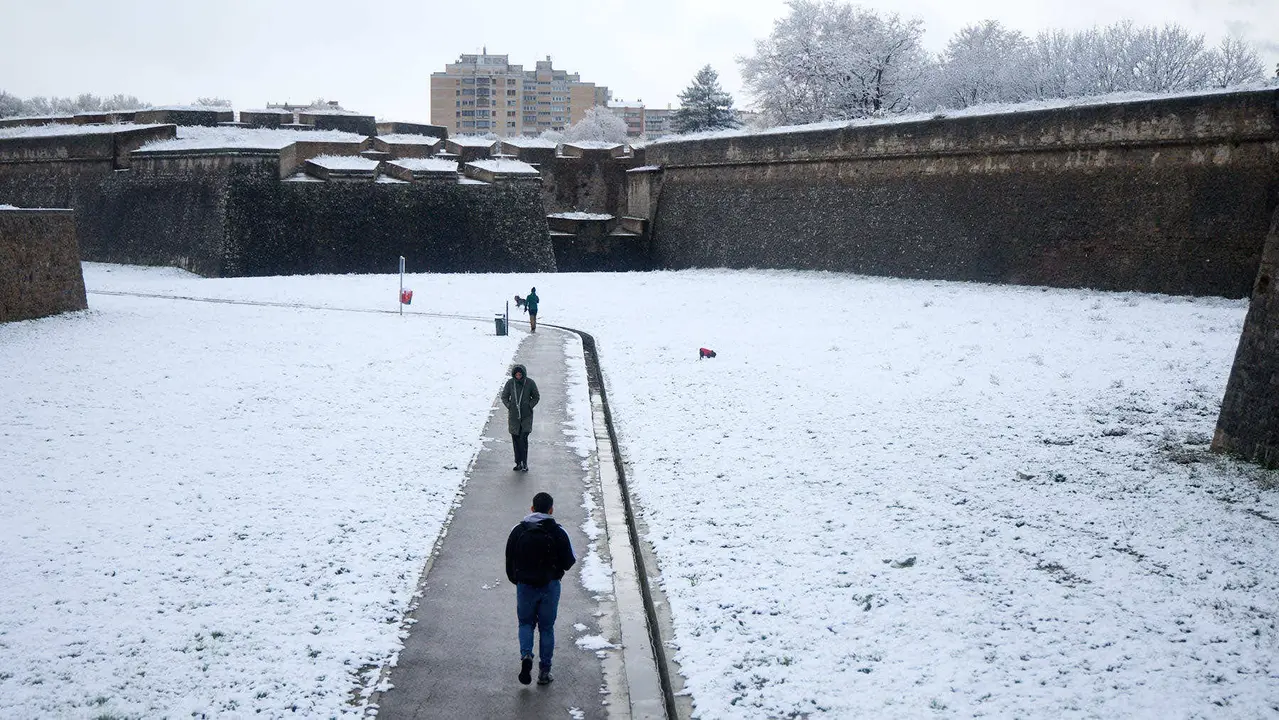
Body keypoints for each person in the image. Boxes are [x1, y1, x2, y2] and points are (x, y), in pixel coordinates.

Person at [506, 492, 576, 686]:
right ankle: (544, 672)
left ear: (532, 509)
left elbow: (509, 558)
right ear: (551, 510)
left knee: (525, 624)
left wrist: (517, 579)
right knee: (546, 628)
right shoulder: (558, 532)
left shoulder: (518, 530)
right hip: (550, 586)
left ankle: (526, 655)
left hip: (525, 586)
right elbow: (569, 561)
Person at [501, 364, 539, 471]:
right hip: (514, 418)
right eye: (516, 374)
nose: (518, 376)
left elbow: (536, 396)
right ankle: (518, 463)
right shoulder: (510, 383)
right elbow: (504, 396)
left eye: (520, 374)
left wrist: (529, 405)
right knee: (516, 441)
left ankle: (524, 463)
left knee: (523, 439)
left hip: (526, 417)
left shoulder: (530, 383)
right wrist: (509, 406)